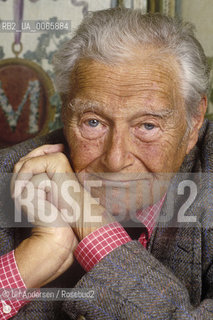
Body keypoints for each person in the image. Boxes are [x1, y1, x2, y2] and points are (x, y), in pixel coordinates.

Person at [0, 8, 212, 319]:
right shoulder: (10, 172)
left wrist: (93, 229)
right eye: (94, 122)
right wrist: (36, 257)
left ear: (193, 122)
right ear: (66, 113)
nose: (115, 159)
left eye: (148, 126)